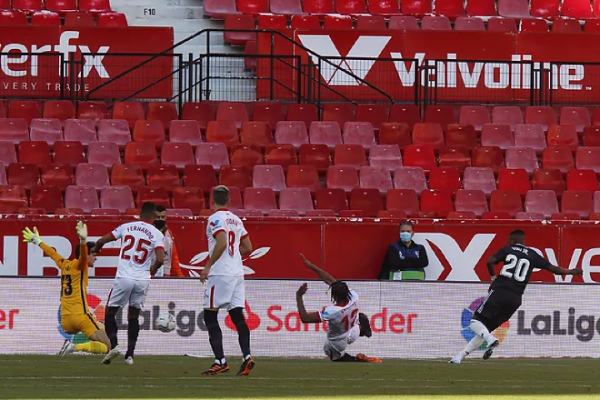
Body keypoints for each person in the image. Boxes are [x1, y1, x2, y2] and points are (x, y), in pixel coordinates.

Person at [450, 229, 582, 364]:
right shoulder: (533, 254)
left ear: (512, 240)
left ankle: (490, 340)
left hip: (500, 291)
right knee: (484, 330)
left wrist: (493, 277)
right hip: (515, 299)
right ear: (523, 241)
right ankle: (459, 356)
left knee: (475, 322)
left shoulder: (508, 249)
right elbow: (555, 269)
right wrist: (571, 271)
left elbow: (490, 261)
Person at [22, 222, 111, 356]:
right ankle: (75, 347)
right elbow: (82, 257)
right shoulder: (81, 265)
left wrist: (38, 241)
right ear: (86, 255)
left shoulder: (64, 265)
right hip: (80, 317)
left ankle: (74, 345)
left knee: (101, 327)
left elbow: (52, 253)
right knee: (107, 346)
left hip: (66, 322)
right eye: (93, 254)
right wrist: (83, 240)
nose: (96, 257)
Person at [93, 202, 165, 365]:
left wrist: (97, 248)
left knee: (110, 313)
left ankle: (114, 346)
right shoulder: (156, 233)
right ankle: (130, 355)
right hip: (142, 279)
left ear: (140, 214)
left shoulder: (127, 227)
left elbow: (103, 239)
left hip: (124, 277)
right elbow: (160, 259)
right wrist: (152, 271)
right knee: (133, 315)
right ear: (153, 217)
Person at [200, 185, 255, 376]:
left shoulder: (215, 218)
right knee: (238, 316)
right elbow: (248, 247)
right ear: (228, 200)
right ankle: (247, 356)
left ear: (212, 200)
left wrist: (207, 266)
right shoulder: (236, 219)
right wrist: (233, 257)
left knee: (210, 316)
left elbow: (222, 242)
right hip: (237, 273)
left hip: (220, 274)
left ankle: (220, 361)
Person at [296, 253, 382, 363]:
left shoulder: (332, 311)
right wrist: (311, 266)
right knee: (360, 317)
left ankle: (358, 359)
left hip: (338, 342)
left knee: (335, 357)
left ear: (334, 296)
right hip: (354, 331)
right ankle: (362, 328)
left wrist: (299, 296)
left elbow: (305, 318)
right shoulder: (354, 296)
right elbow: (330, 280)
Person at [154, 205, 184, 277]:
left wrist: (181, 277)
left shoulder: (169, 235)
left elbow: (173, 258)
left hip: (165, 276)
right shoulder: (148, 233)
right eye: (158, 217)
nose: (160, 219)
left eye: (163, 217)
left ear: (166, 217)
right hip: (148, 276)